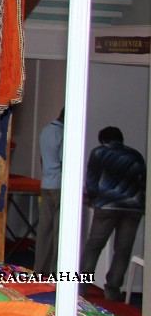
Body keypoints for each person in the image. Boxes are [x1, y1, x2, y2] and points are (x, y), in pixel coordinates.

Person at [80, 126, 146, 302]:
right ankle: (113, 290)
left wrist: (93, 199)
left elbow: (92, 180)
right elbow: (143, 182)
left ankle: (82, 285)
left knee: (94, 245)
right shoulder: (136, 155)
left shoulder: (99, 153)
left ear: (103, 140)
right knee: (123, 250)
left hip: (107, 205)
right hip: (133, 207)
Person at [34, 108, 64, 276]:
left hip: (46, 183)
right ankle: (55, 270)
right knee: (59, 231)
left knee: (44, 229)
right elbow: (63, 160)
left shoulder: (45, 131)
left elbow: (41, 158)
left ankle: (40, 268)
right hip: (59, 186)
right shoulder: (62, 134)